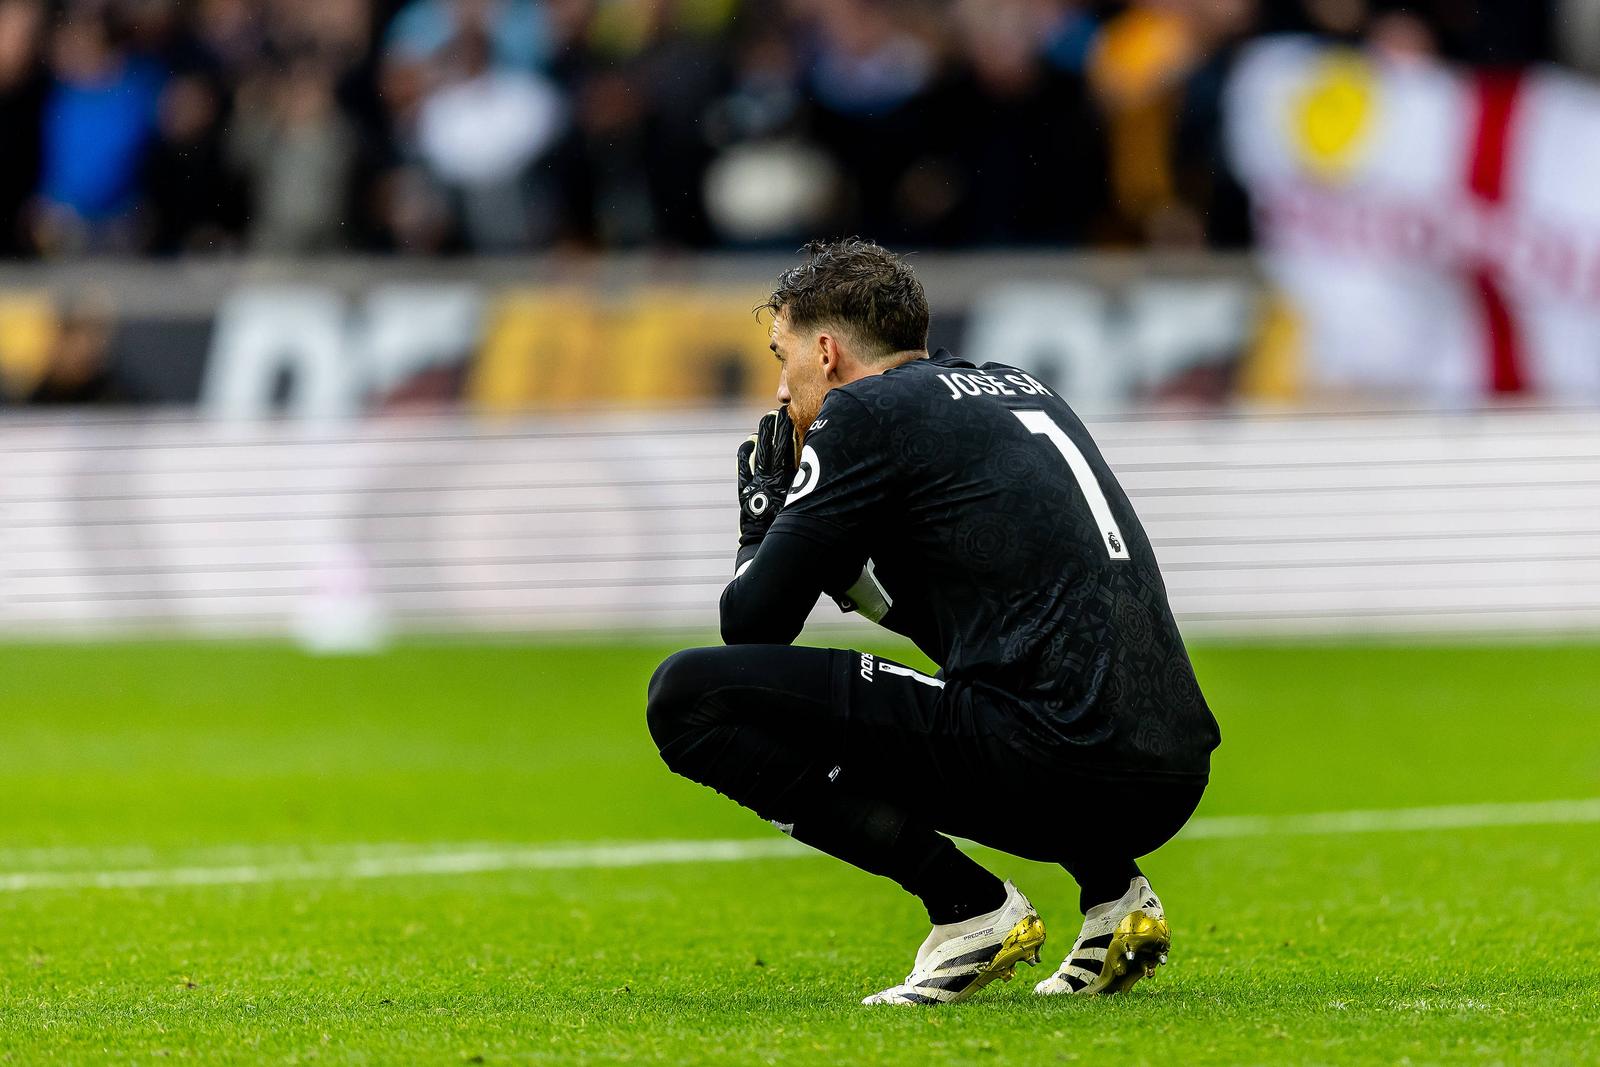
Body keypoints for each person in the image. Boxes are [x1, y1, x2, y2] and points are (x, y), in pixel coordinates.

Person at [645, 238, 1220, 1005]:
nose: (782, 391)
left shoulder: (864, 411)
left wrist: (762, 521)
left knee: (686, 695)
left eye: (783, 358)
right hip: (1167, 770)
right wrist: (859, 583)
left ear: (826, 349)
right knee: (996, 677)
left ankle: (967, 906)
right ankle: (1116, 897)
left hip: (1056, 763)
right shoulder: (1018, 389)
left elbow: (751, 627)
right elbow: (983, 626)